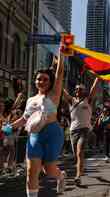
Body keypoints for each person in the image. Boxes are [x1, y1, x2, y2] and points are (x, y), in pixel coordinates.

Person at [1, 47, 66, 196]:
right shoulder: (30, 100)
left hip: (53, 134)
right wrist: (6, 129)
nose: (41, 81)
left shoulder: (54, 95)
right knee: (31, 172)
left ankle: (60, 176)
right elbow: (24, 119)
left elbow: (60, 72)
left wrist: (61, 55)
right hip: (35, 136)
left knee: (49, 170)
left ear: (50, 82)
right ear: (35, 81)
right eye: (38, 79)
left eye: (45, 79)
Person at [62, 78, 99, 185]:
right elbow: (62, 91)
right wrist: (56, 76)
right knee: (76, 155)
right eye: (76, 89)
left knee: (79, 153)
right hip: (73, 131)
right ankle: (80, 169)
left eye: (80, 89)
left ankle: (78, 176)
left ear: (84, 91)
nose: (78, 90)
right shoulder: (71, 100)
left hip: (85, 130)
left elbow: (94, 88)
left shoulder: (88, 100)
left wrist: (97, 77)